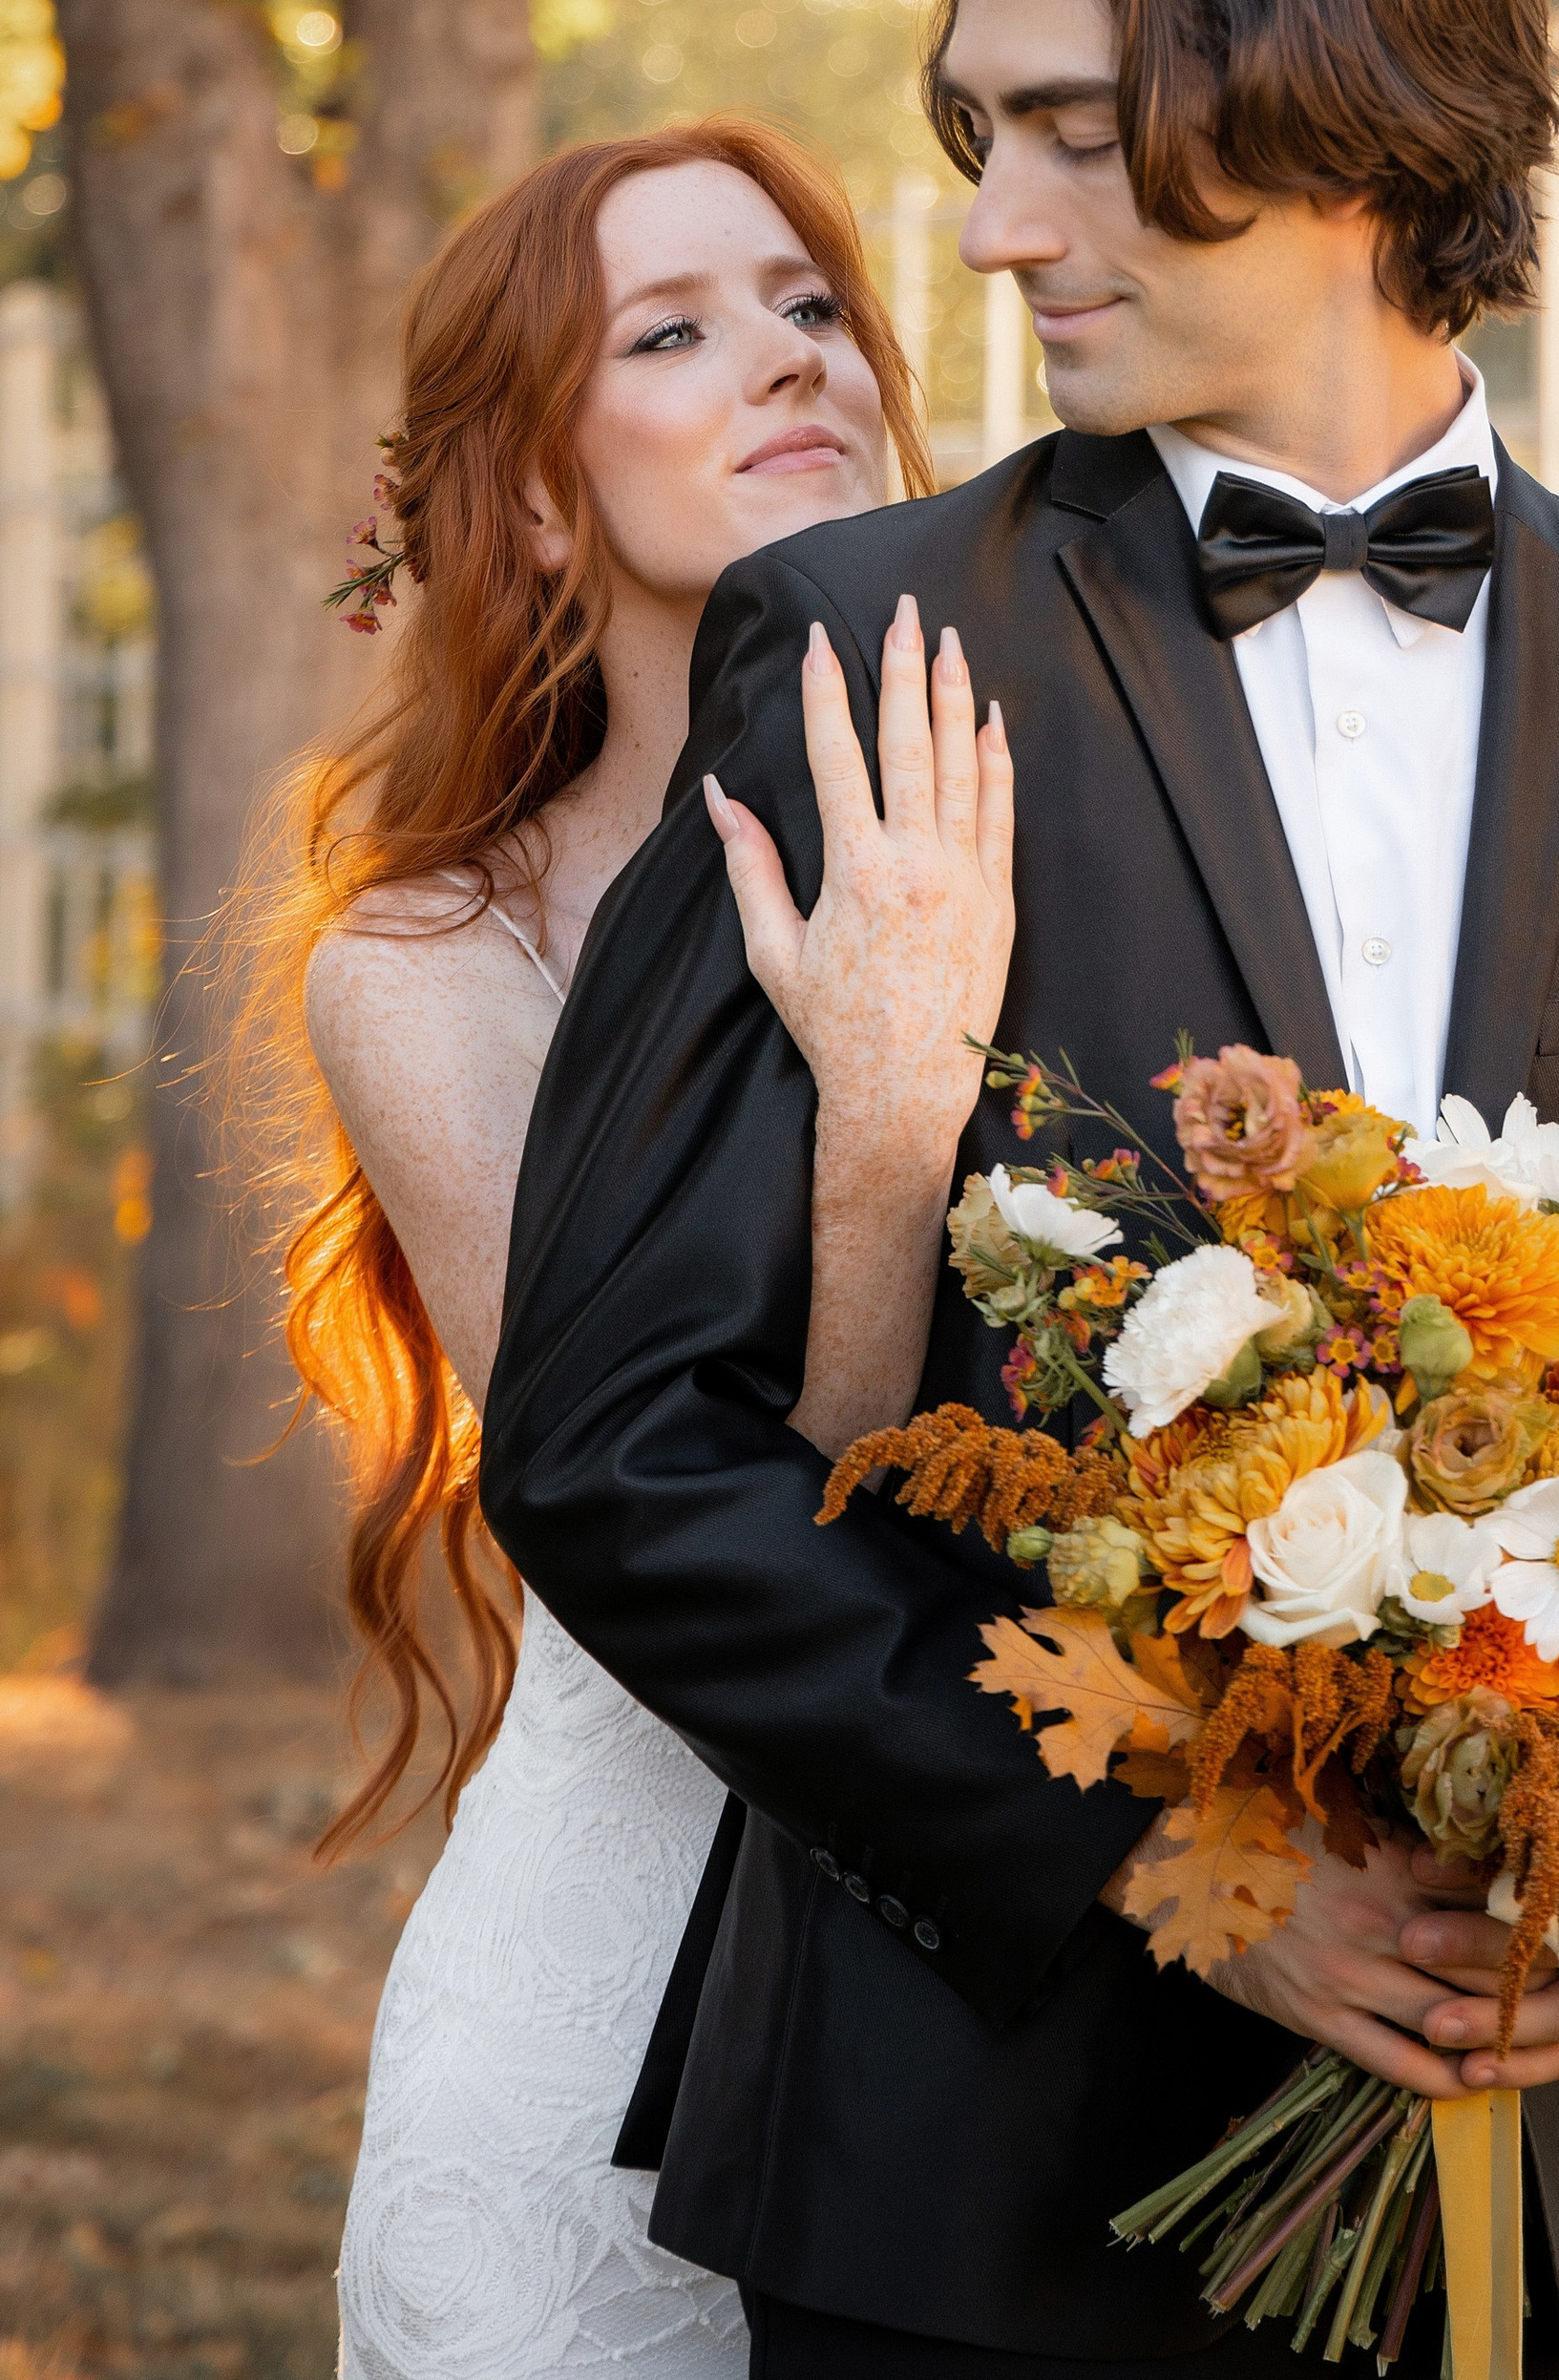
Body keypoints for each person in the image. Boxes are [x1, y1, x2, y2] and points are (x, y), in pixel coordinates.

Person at [481, 0, 1559, 2380]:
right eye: (975, 129)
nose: (986, 227)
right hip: (969, 2185)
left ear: (1323, 91)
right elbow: (613, 1439)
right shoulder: (864, 647)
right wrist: (1164, 1869)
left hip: (1529, 2196)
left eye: (1070, 131)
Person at [263, 124, 1016, 2380]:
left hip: (1011, 1988)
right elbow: (666, 1535)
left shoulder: (1020, 816)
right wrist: (884, 1120)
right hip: (613, 2021)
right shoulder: (434, 962)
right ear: (528, 494)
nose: (785, 360)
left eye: (807, 306)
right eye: (671, 334)